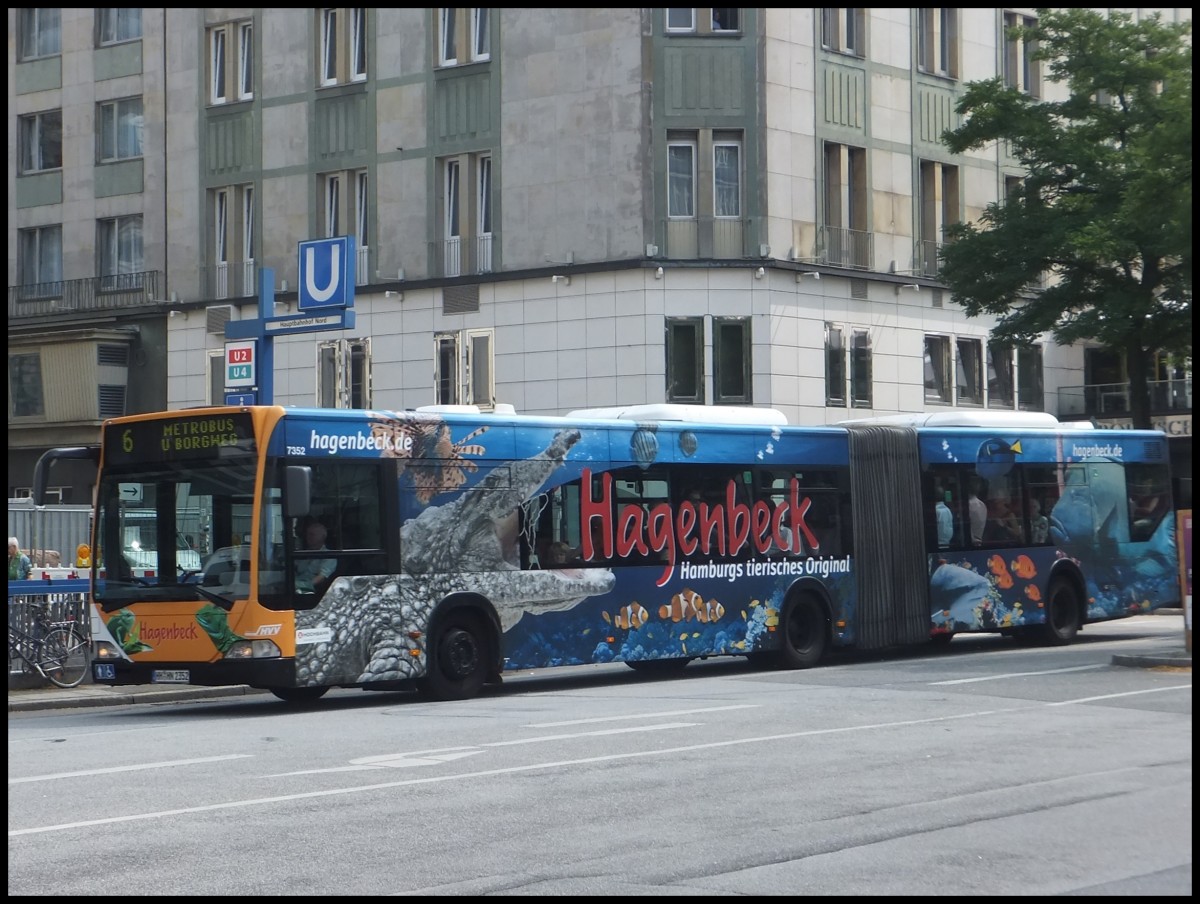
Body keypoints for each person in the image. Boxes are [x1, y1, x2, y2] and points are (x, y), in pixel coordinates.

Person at [295, 519, 337, 592]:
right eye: (307, 534)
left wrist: (303, 586)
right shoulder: (303, 553)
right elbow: (295, 567)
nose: (308, 537)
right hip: (296, 583)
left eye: (312, 534)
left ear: (323, 537)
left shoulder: (329, 556)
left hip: (310, 589)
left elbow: (321, 577)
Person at [967, 478, 987, 547]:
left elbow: (968, 525)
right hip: (979, 540)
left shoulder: (969, 505)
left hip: (972, 542)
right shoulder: (982, 504)